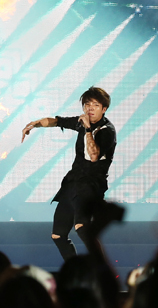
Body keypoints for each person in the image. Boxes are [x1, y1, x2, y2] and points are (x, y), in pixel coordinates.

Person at [21, 86, 116, 260]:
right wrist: (35, 124)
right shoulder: (82, 121)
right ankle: (75, 271)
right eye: (87, 104)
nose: (90, 109)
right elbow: (57, 121)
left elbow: (94, 155)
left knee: (82, 227)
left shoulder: (107, 131)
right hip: (73, 182)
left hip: (91, 185)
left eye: (95, 105)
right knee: (58, 235)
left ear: (104, 108)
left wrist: (88, 130)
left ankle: (101, 268)